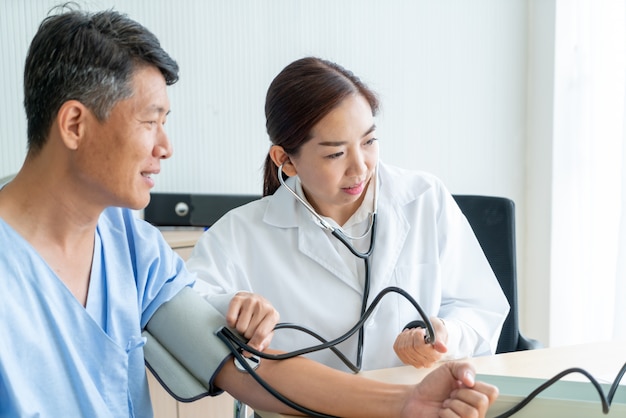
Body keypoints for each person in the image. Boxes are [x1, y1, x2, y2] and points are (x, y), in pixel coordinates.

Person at [0, 7, 499, 418]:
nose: (166, 147)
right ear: (74, 124)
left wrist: (407, 401)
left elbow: (246, 365)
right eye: (150, 122)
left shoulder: (130, 243)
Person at [187, 57, 510, 372]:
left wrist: (444, 335)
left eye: (369, 141)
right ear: (285, 159)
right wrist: (233, 305)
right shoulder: (241, 233)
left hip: (418, 404)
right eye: (336, 153)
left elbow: (480, 309)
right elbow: (185, 308)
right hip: (308, 411)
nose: (360, 167)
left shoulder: (424, 200)